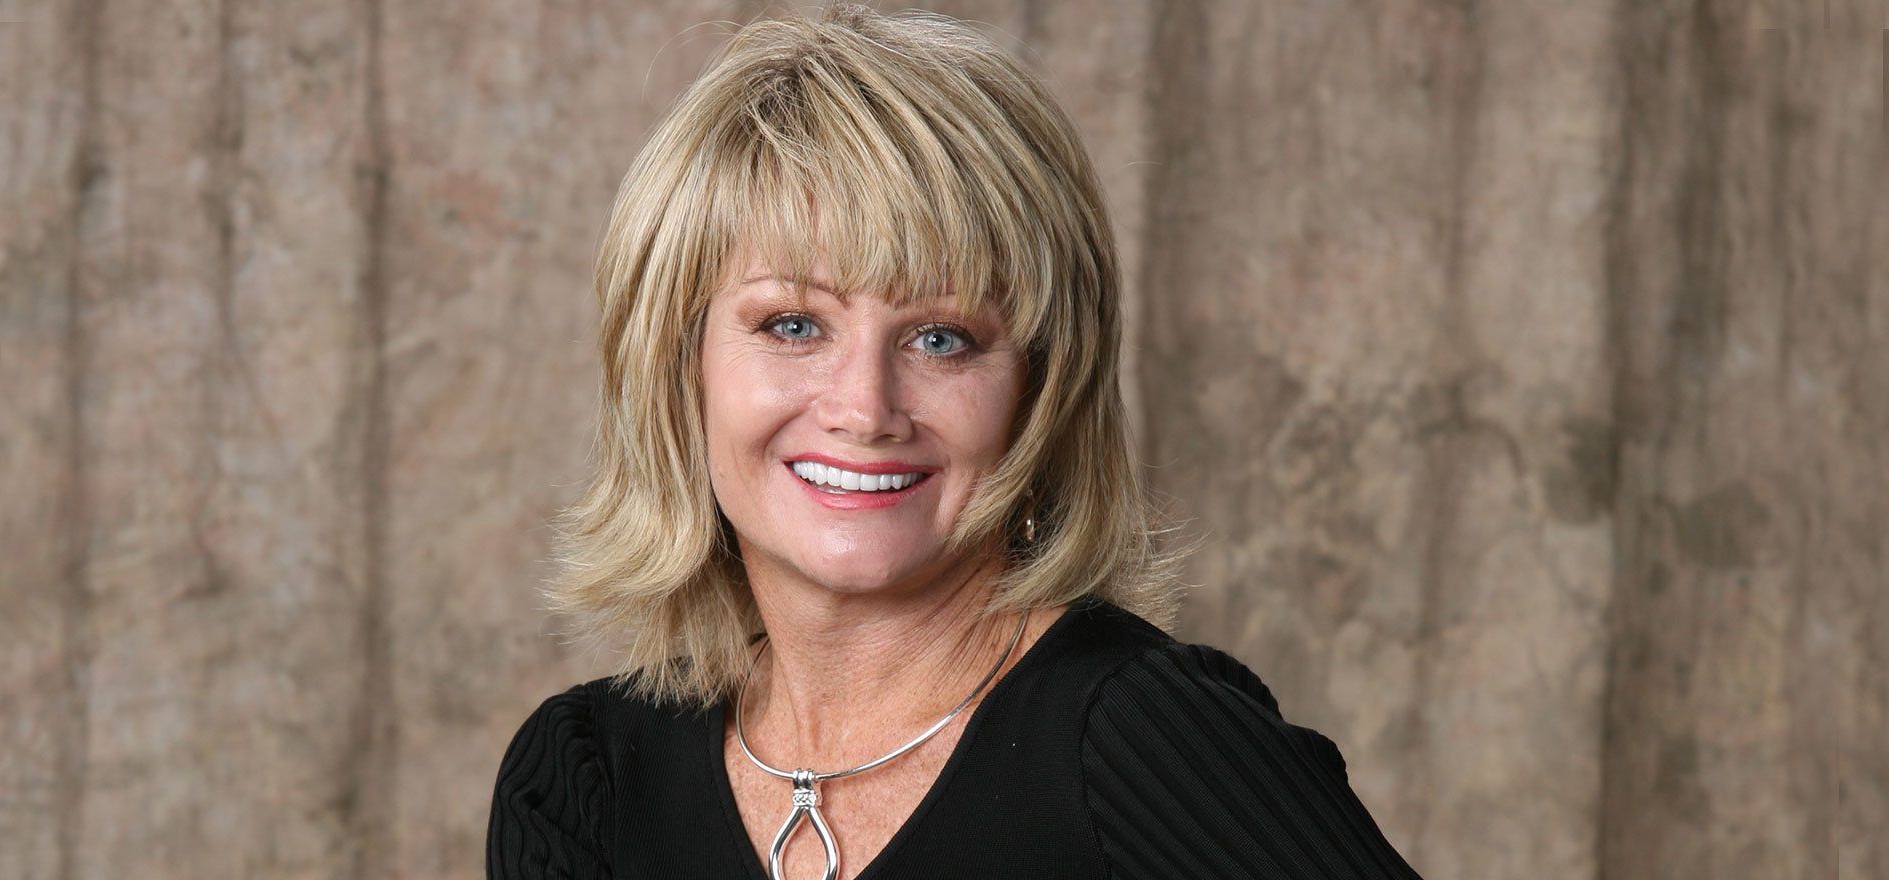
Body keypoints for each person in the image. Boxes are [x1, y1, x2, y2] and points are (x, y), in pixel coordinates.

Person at [486, 4, 1423, 878]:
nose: (865, 408)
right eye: (792, 325)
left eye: (942, 338)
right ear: (674, 361)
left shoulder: (1150, 736)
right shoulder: (587, 777)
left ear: (1042, 385)